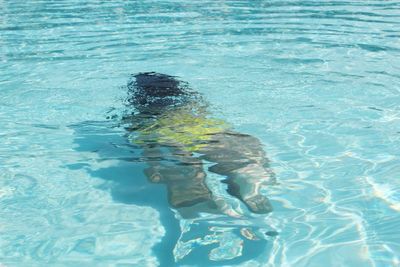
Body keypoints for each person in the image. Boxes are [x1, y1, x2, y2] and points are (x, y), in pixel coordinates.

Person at [124, 72, 275, 217]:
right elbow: (250, 140)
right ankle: (241, 177)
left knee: (177, 158)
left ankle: (190, 188)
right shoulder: (194, 106)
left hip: (158, 128)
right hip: (199, 125)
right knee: (223, 145)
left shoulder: (142, 111)